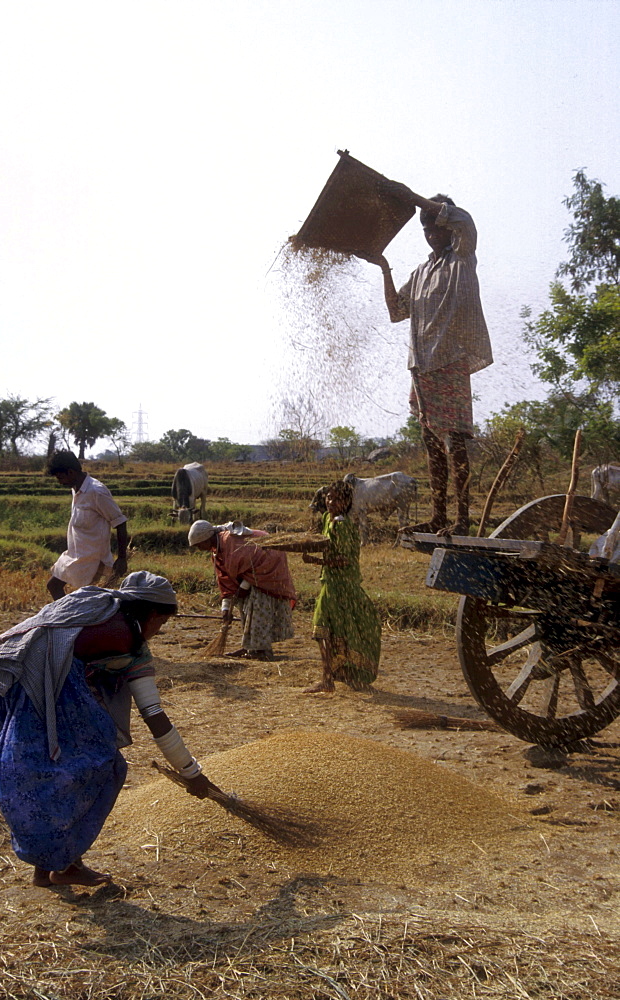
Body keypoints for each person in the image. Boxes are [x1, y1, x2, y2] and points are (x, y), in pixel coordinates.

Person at [0, 571, 213, 888]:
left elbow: (19, 637)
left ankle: (49, 868)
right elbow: (154, 715)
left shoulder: (90, 606)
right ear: (151, 614)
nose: (157, 632)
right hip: (48, 698)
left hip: (26, 691)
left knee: (47, 774)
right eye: (161, 624)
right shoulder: (124, 638)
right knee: (102, 768)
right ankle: (63, 865)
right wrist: (192, 772)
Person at [361, 184, 493, 535]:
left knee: (457, 443)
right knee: (432, 445)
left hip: (449, 361)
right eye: (427, 230)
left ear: (450, 227)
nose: (433, 234)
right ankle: (438, 515)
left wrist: (411, 197)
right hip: (421, 367)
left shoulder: (463, 255)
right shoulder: (420, 273)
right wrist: (384, 268)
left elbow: (464, 220)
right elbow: (396, 312)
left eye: (438, 226)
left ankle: (462, 520)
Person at [302, 481, 381, 694]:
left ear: (346, 502)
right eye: (328, 497)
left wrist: (316, 562)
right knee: (328, 631)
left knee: (323, 630)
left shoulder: (343, 525)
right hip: (330, 582)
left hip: (342, 585)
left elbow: (344, 560)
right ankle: (331, 676)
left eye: (336, 499)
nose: (330, 502)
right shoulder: (328, 519)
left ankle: (329, 679)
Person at [187, 520, 296, 661]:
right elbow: (225, 580)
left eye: (199, 545)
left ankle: (261, 650)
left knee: (257, 608)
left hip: (269, 565)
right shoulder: (217, 553)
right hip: (253, 574)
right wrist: (225, 609)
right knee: (245, 607)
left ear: (207, 538)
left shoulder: (231, 542)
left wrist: (244, 587)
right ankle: (250, 646)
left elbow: (254, 564)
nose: (200, 548)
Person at [46, 451, 129, 600]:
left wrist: (122, 558)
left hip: (93, 559)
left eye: (61, 477)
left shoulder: (96, 491)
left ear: (71, 472)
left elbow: (120, 522)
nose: (60, 482)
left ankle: (72, 619)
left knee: (82, 597)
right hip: (75, 554)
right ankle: (70, 618)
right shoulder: (76, 489)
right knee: (54, 586)